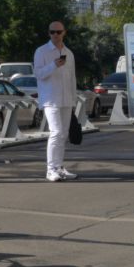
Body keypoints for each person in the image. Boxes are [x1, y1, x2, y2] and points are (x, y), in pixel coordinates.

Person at [33, 20, 81, 181]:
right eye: (52, 32)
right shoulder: (42, 51)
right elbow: (39, 74)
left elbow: (72, 78)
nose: (55, 35)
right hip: (50, 99)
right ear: (48, 33)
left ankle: (59, 167)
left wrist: (73, 100)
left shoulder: (69, 53)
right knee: (56, 132)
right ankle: (51, 169)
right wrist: (53, 65)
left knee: (63, 134)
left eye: (58, 32)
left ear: (64, 33)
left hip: (66, 99)